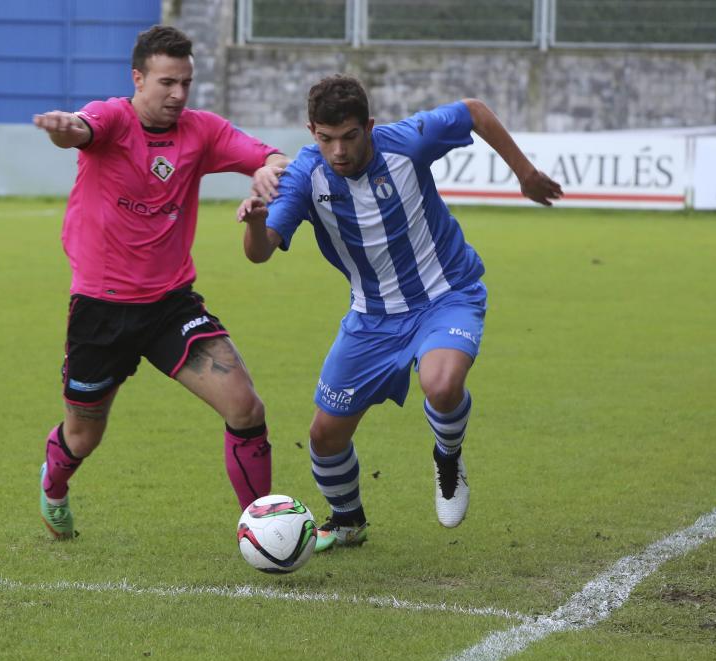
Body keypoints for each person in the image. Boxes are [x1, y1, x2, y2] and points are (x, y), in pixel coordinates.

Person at [237, 74, 562, 551]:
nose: (339, 151)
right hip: (370, 318)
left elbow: (473, 110)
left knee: (442, 382)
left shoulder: (406, 143)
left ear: (368, 126)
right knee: (325, 436)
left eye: (349, 136)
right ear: (312, 132)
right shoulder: (307, 176)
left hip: (446, 295)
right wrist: (257, 218)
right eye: (326, 139)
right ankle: (348, 521)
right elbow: (260, 252)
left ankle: (447, 458)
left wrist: (525, 173)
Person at [32, 25, 289, 539]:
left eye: (186, 83)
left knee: (245, 405)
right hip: (100, 309)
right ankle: (54, 487)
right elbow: (80, 130)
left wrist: (270, 171)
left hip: (171, 305)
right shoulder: (112, 117)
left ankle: (265, 527)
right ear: (138, 79)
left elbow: (275, 156)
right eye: (167, 82)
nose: (178, 94)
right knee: (83, 435)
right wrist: (63, 128)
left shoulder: (202, 131)